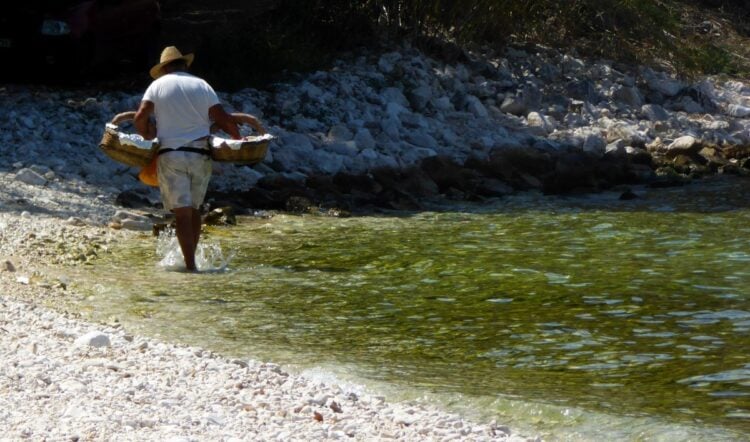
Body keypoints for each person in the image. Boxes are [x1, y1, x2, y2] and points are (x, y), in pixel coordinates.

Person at [135, 46, 240, 271]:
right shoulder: (202, 84)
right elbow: (222, 117)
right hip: (200, 154)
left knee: (181, 213)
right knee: (194, 211)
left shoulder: (157, 85)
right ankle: (193, 262)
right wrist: (236, 138)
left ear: (164, 68)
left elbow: (140, 116)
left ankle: (190, 267)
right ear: (185, 64)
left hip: (170, 154)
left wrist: (146, 134)